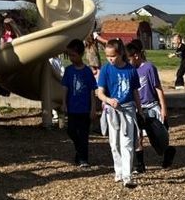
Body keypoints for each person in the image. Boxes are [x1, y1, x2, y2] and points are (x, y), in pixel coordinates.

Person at [95, 38, 141, 188]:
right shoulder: (106, 70)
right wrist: (108, 100)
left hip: (128, 109)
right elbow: (100, 93)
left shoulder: (131, 70)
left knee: (127, 142)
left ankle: (127, 176)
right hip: (112, 109)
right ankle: (119, 170)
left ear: (120, 53)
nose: (110, 59)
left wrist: (140, 111)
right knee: (114, 143)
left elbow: (135, 92)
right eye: (108, 56)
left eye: (113, 56)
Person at [127, 39, 176, 171]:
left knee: (157, 136)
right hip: (138, 107)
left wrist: (163, 108)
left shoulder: (149, 68)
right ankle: (140, 164)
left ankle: (167, 151)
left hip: (151, 105)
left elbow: (158, 89)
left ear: (136, 55)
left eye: (129, 59)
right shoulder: (129, 70)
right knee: (138, 136)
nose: (127, 62)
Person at [60, 39, 96, 169]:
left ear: (80, 54)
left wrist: (93, 108)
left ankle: (83, 159)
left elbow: (92, 90)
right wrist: (64, 102)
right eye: (69, 55)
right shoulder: (69, 71)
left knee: (84, 134)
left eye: (73, 55)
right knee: (71, 131)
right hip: (72, 108)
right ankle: (79, 150)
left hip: (85, 109)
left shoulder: (87, 71)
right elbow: (65, 87)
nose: (71, 58)